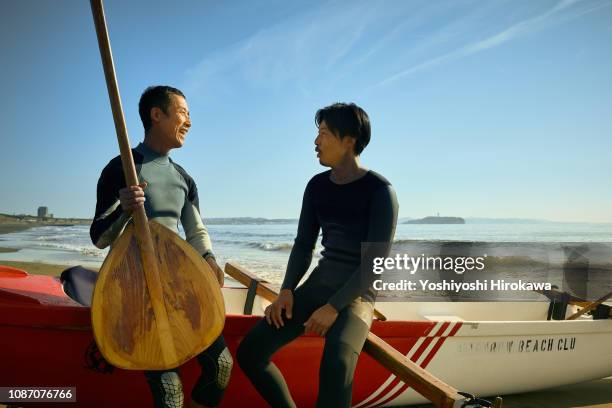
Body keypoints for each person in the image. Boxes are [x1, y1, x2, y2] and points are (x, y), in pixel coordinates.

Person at [237, 102, 398, 407]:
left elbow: (374, 264)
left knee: (336, 365)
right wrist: (286, 291)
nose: (316, 141)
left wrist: (334, 307)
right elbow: (303, 245)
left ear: (349, 139)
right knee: (251, 353)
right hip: (317, 286)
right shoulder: (316, 186)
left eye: (323, 133)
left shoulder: (380, 191)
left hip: (356, 297)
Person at [90, 85, 232, 408]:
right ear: (157, 115)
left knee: (221, 366)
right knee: (171, 393)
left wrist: (208, 258)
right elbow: (99, 238)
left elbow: (195, 230)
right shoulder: (121, 168)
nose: (190, 122)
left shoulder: (184, 178)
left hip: (179, 287)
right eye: (183, 112)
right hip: (135, 294)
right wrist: (124, 208)